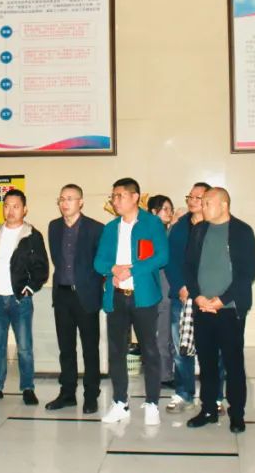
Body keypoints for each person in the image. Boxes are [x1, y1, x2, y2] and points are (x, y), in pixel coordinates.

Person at [96, 177, 169, 425]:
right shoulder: (110, 228)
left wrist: (132, 270)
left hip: (144, 297)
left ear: (135, 197)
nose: (115, 201)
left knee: (150, 350)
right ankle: (120, 402)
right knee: (116, 351)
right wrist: (113, 269)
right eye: (113, 196)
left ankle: (152, 403)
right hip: (116, 297)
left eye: (120, 196)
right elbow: (99, 261)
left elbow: (162, 256)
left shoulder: (152, 223)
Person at [183, 187, 255, 434]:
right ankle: (208, 409)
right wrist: (197, 296)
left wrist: (222, 300)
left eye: (207, 203)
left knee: (233, 363)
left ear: (223, 205)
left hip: (229, 309)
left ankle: (237, 413)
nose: (202, 207)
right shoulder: (199, 230)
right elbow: (189, 267)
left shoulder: (242, 231)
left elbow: (247, 273)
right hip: (202, 307)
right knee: (206, 363)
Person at [0, 188, 49, 405]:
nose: (10, 210)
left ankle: (28, 388)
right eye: (7, 206)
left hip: (20, 300)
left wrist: (29, 289)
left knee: (24, 347)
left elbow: (42, 268)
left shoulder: (32, 236)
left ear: (24, 209)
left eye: (16, 206)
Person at [45, 184, 105, 414]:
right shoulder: (54, 227)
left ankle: (91, 394)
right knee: (66, 348)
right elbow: (57, 258)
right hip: (62, 294)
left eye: (70, 198)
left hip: (86, 295)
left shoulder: (95, 228)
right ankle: (67, 393)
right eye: (61, 198)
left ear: (81, 202)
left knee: (90, 348)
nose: (65, 203)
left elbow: (100, 264)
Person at [164, 181, 211, 413]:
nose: (192, 201)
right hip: (181, 297)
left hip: (209, 297)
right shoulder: (179, 227)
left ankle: (215, 396)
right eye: (190, 197)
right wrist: (180, 286)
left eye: (197, 197)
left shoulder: (216, 226)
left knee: (212, 348)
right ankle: (184, 393)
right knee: (181, 348)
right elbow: (170, 259)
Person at [147, 195, 176, 389]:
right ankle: (163, 375)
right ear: (153, 212)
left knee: (171, 336)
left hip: (172, 291)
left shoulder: (169, 231)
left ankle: (169, 371)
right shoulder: (151, 233)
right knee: (162, 336)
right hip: (160, 293)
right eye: (165, 209)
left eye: (170, 209)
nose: (169, 213)